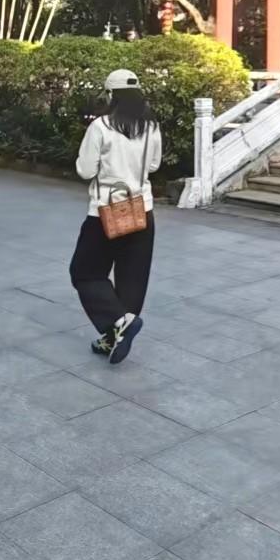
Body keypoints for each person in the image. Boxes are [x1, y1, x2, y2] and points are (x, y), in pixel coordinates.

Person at [70, 68, 162, 364]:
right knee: (132, 279)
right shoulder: (151, 126)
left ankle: (119, 323)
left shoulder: (100, 126)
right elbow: (154, 166)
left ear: (111, 95)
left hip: (105, 211)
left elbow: (85, 170)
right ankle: (116, 335)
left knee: (85, 272)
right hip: (141, 209)